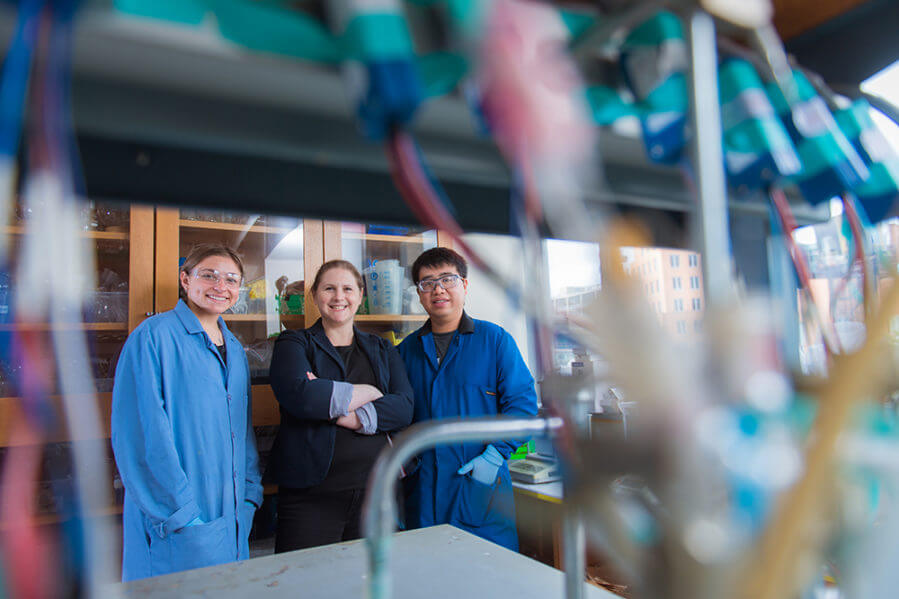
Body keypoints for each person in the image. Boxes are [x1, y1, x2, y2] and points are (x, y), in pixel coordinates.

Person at [111, 243, 263, 581]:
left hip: (232, 517)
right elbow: (140, 436)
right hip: (174, 519)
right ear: (185, 279)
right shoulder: (153, 337)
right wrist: (181, 514)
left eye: (231, 280)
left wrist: (250, 495)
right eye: (209, 275)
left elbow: (242, 430)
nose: (220, 286)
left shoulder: (234, 349)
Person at [268, 259, 414, 552]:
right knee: (306, 576)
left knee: (367, 577)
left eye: (347, 289)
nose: (338, 297)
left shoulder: (382, 348)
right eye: (329, 289)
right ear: (314, 295)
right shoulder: (293, 343)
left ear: (360, 295)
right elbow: (301, 396)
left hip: (376, 492)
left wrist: (338, 411)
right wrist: (371, 392)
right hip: (309, 496)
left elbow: (403, 407)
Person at [398, 247, 538, 551]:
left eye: (447, 279)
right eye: (427, 283)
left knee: (487, 571)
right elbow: (395, 416)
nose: (438, 289)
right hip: (423, 495)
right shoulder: (405, 351)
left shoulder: (495, 341)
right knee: (428, 571)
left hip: (481, 490)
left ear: (464, 285)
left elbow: (523, 407)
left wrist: (494, 457)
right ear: (420, 294)